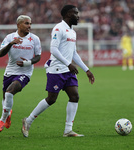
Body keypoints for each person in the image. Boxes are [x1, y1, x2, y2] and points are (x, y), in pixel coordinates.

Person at [21, 5, 95, 138]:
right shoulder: (58, 28)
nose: (78, 16)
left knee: (75, 96)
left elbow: (74, 53)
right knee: (51, 99)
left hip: (68, 71)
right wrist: (68, 63)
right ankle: (28, 120)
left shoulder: (72, 32)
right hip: (56, 69)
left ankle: (68, 130)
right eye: (75, 13)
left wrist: (87, 70)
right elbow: (53, 49)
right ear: (67, 14)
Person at [0, 15, 42, 132]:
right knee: (5, 98)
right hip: (9, 72)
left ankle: (2, 120)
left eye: (30, 23)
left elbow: (38, 57)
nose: (29, 26)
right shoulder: (10, 37)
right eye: (26, 23)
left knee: (9, 92)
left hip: (25, 73)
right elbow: (1, 54)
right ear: (18, 25)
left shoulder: (35, 39)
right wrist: (11, 43)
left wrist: (27, 63)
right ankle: (8, 114)